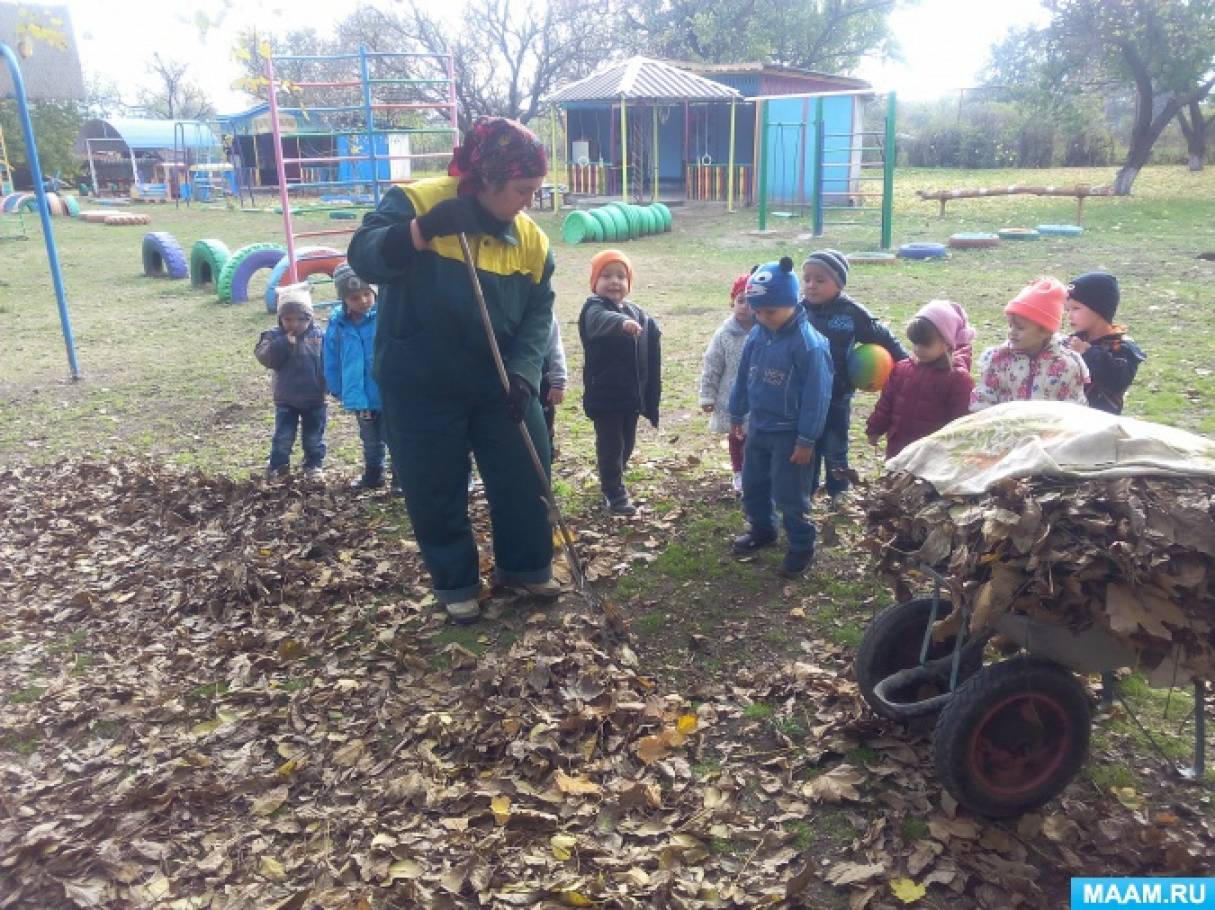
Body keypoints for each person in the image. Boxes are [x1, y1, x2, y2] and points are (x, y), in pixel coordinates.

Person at [346, 116, 559, 624]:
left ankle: (525, 567)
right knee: (434, 484)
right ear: (487, 179)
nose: (529, 200)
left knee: (528, 470)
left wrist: (526, 371)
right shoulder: (417, 202)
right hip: (420, 379)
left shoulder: (532, 241)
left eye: (535, 190)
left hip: (499, 382)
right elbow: (365, 256)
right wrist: (422, 231)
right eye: (522, 190)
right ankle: (455, 581)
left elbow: (538, 311)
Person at [729, 257, 833, 578]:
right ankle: (763, 528)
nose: (761, 317)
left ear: (789, 302)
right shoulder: (759, 334)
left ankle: (802, 544)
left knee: (790, 493)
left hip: (790, 434)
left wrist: (806, 439)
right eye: (757, 311)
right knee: (753, 483)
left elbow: (818, 397)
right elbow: (744, 375)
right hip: (759, 426)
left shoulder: (809, 345)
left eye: (769, 311)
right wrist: (737, 410)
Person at [801, 249, 908, 504]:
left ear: (838, 283)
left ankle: (839, 490)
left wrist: (907, 364)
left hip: (838, 394)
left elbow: (883, 338)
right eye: (807, 279)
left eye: (820, 279)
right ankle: (807, 488)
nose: (811, 285)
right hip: (804, 395)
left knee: (835, 445)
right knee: (808, 444)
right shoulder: (797, 311)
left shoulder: (852, 313)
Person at [578, 249, 662, 516]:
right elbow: (600, 321)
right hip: (606, 394)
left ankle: (615, 477)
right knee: (610, 444)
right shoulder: (593, 308)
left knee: (627, 442)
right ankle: (613, 491)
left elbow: (647, 325)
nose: (614, 281)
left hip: (630, 394)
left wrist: (652, 327)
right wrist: (622, 323)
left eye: (620, 276)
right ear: (595, 282)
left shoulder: (634, 310)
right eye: (606, 276)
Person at [866, 300, 976, 458]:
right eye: (915, 343)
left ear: (947, 343)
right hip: (899, 450)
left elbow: (961, 421)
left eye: (926, 344)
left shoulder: (957, 379)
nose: (918, 349)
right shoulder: (901, 369)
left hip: (932, 456)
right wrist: (875, 428)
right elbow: (886, 403)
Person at [971, 277, 1089, 411]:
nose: (1012, 332)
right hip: (1006, 429)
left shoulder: (1066, 365)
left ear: (1045, 331)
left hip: (1049, 430)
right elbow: (984, 398)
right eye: (1010, 325)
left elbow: (1074, 407)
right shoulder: (998, 359)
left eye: (1020, 328)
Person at [324, 264, 391, 491]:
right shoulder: (338, 323)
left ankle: (401, 476)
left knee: (393, 436)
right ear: (344, 299)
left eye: (366, 294)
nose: (363, 301)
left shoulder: (385, 314)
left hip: (385, 390)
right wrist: (335, 385)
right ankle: (374, 472)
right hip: (359, 392)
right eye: (354, 297)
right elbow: (331, 357)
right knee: (369, 438)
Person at [254, 283, 327, 480]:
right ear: (280, 318)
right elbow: (265, 358)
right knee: (283, 437)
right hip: (286, 398)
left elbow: (330, 360)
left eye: (301, 319)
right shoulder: (273, 336)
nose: (294, 324)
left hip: (315, 396)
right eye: (288, 319)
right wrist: (283, 343)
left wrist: (330, 384)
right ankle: (278, 466)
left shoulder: (319, 335)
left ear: (310, 317)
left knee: (314, 437)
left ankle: (313, 465)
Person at [699, 271, 755, 493]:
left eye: (751, 302)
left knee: (756, 438)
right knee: (737, 436)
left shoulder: (766, 331)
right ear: (732, 302)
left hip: (757, 397)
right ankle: (739, 471)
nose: (745, 306)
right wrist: (707, 395)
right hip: (730, 396)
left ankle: (757, 471)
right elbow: (712, 366)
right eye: (741, 300)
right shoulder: (724, 335)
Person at [1065, 271, 1146, 415]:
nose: (1069, 315)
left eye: (1076, 308)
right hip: (1070, 418)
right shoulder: (1074, 340)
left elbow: (1118, 381)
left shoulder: (1122, 347)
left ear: (1099, 310)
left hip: (1102, 423)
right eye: (1067, 309)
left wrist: (1088, 353)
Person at [540, 318, 568, 458]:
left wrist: (558, 382)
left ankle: (545, 455)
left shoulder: (546, 314)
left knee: (544, 423)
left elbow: (555, 348)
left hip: (540, 380)